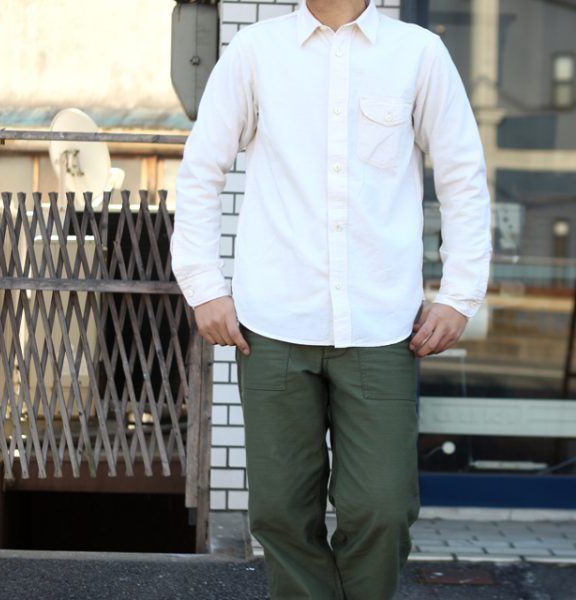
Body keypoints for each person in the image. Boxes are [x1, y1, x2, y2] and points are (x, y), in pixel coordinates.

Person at [170, 0, 491, 598]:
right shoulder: (254, 52)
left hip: (381, 326)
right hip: (272, 324)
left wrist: (459, 294)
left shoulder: (418, 54)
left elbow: (462, 178)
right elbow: (201, 171)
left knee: (383, 507)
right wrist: (204, 285)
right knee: (280, 512)